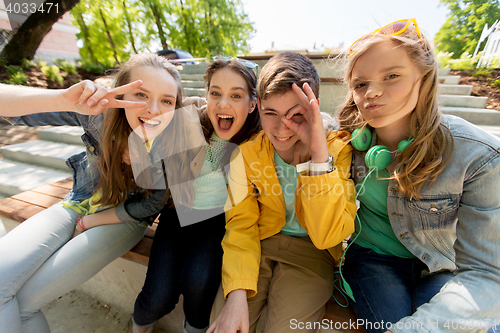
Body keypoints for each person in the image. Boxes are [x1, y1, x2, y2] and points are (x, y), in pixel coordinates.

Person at [0, 53, 193, 333]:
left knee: (25, 304)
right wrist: (63, 98)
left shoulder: (177, 138)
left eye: (166, 100)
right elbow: (12, 112)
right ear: (121, 92)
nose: (154, 109)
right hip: (78, 204)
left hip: (124, 220)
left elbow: (152, 204)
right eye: (140, 94)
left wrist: (91, 223)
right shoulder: (98, 116)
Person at [336, 18, 500, 333]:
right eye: (360, 84)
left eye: (392, 76)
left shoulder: (479, 156)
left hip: (439, 266)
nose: (372, 92)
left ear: (423, 78)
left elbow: (486, 274)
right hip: (372, 260)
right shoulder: (346, 143)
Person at [208, 51, 357, 333]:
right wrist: (237, 292)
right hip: (259, 245)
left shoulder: (337, 151)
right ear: (258, 107)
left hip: (313, 255)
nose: (282, 128)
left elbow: (329, 235)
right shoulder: (248, 155)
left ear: (314, 108)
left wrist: (317, 158)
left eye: (296, 115)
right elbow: (241, 225)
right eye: (271, 114)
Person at [130, 57, 261, 333]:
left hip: (217, 223)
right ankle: (138, 328)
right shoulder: (191, 123)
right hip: (176, 215)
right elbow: (155, 115)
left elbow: (314, 120)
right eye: (215, 93)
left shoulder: (256, 142)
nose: (223, 104)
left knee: (199, 283)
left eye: (236, 95)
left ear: (252, 104)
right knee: (156, 298)